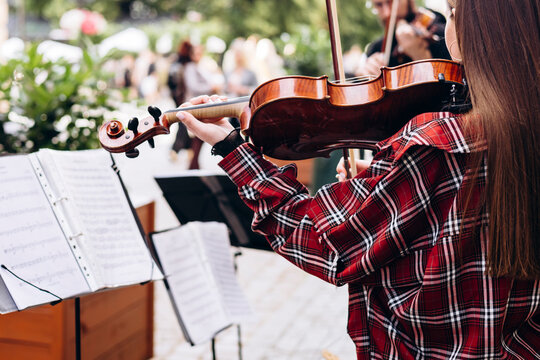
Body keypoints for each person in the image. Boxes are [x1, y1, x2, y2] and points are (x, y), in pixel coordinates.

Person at [174, 0, 539, 358]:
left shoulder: (435, 144)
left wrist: (231, 146)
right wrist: (392, 183)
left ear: (482, 31)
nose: (447, 26)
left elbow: (326, 244)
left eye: (453, 12)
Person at [357, 0, 451, 76]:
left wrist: (420, 55)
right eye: (379, 5)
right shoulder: (377, 48)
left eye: (391, 2)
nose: (387, 13)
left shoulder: (436, 27)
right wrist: (368, 77)